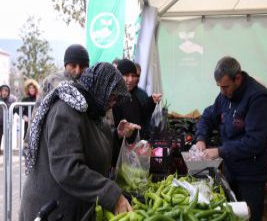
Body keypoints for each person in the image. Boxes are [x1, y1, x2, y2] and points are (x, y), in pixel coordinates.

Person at [19, 62, 136, 221]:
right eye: (112, 95)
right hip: (51, 208)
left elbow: (91, 143)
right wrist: (111, 194)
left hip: (70, 206)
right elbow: (68, 169)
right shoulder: (66, 110)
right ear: (99, 88)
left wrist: (116, 135)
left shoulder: (92, 111)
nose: (114, 102)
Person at [195, 56, 267, 221]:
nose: (222, 92)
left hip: (251, 175)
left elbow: (255, 142)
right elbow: (208, 116)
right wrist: (201, 138)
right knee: (230, 215)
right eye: (219, 87)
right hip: (231, 170)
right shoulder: (225, 95)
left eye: (225, 87)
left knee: (249, 215)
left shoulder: (259, 98)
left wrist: (219, 151)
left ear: (237, 78)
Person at [112, 58, 162, 166]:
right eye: (126, 75)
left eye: (133, 76)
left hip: (134, 153)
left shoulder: (131, 96)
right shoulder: (113, 99)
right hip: (119, 157)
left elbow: (140, 116)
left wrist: (151, 102)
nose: (130, 79)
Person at [0, 84, 17, 152]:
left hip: (7, 123)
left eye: (6, 91)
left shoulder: (13, 99)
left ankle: (8, 155)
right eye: (2, 91)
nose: (4, 92)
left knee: (8, 140)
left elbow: (17, 109)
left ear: (8, 92)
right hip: (0, 123)